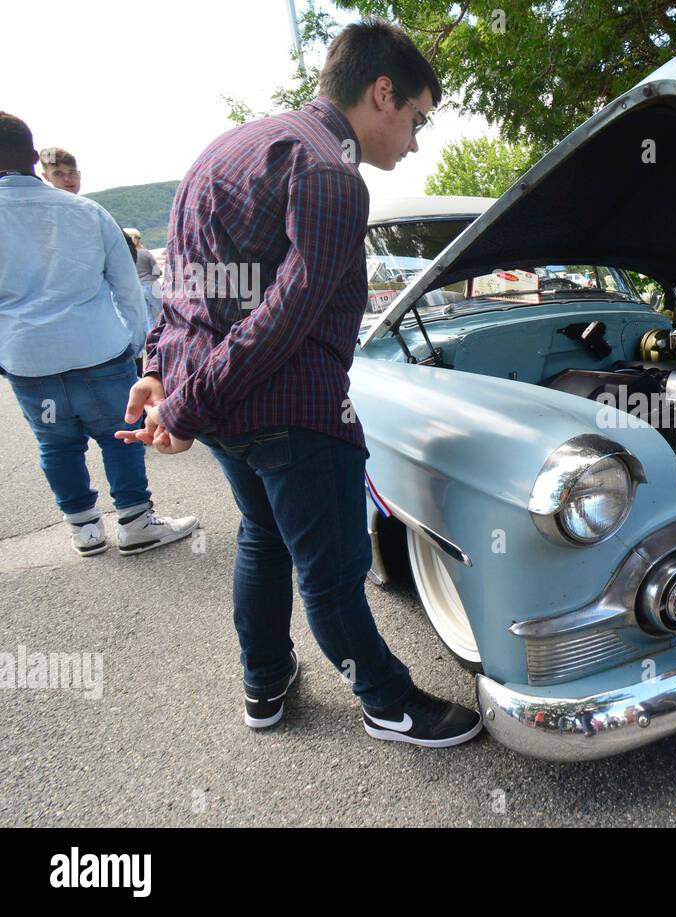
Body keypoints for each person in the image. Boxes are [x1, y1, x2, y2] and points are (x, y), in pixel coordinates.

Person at [116, 19, 481, 748]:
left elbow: (181, 290)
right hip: (290, 411)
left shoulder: (226, 150)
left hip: (225, 413)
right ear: (383, 93)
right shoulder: (331, 175)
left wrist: (159, 368)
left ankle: (265, 681)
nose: (415, 141)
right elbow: (284, 322)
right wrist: (180, 403)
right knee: (335, 571)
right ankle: (388, 703)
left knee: (262, 534)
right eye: (417, 118)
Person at [0, 113, 198, 557]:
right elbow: (127, 288)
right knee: (119, 433)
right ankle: (134, 520)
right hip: (99, 350)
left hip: (28, 359)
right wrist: (139, 349)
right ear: (34, 158)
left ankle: (84, 529)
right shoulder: (86, 211)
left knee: (55, 444)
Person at [124, 227, 164, 326]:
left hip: (137, 289)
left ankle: (152, 337)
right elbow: (157, 272)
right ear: (138, 239)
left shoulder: (126, 256)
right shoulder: (145, 253)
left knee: (148, 317)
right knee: (163, 312)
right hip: (151, 286)